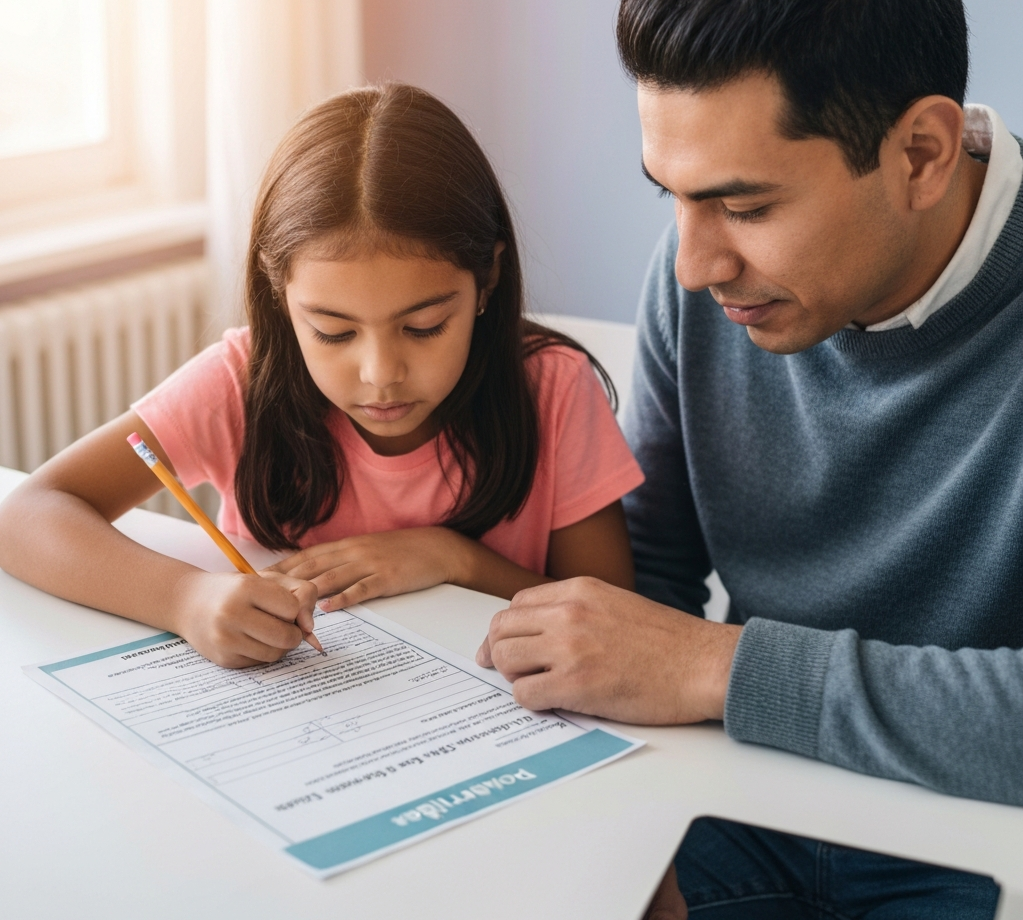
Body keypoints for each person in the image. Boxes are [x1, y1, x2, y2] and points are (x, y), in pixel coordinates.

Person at [476, 0, 1020, 916]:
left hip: (974, 834)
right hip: (740, 800)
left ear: (920, 154)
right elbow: (652, 585)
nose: (692, 264)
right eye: (669, 197)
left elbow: (686, 654)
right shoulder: (704, 281)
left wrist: (722, 669)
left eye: (745, 205)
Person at [0, 83, 642, 669]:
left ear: (488, 280)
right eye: (333, 332)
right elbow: (26, 515)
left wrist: (455, 559)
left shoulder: (553, 391)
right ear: (281, 295)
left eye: (423, 328)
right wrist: (186, 599)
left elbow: (617, 620)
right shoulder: (243, 381)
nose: (379, 374)